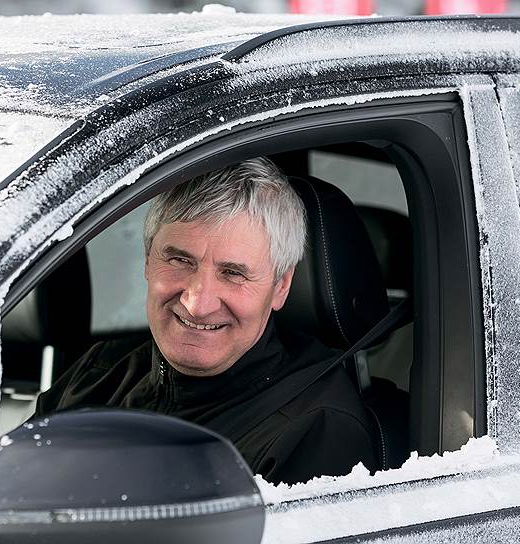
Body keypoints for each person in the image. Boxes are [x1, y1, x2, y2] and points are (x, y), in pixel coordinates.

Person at [33, 158, 378, 485]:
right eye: (180, 260)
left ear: (280, 286)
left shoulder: (314, 431)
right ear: (148, 261)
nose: (197, 304)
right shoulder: (99, 372)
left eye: (232, 273)